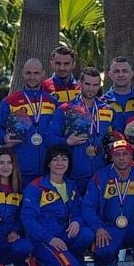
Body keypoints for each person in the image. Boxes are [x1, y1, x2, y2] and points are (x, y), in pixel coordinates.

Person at [82, 139, 134, 266]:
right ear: (111, 157)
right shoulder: (100, 177)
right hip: (109, 229)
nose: (121, 158)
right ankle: (109, 263)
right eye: (117, 155)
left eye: (125, 154)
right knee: (104, 263)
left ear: (131, 156)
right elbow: (88, 207)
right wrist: (98, 228)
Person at [20, 145, 95, 266]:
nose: (60, 163)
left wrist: (76, 221)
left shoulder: (71, 185)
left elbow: (78, 209)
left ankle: (74, 257)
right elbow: (28, 219)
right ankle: (37, 261)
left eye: (64, 159)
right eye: (55, 159)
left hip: (63, 235)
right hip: (42, 239)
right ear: (48, 163)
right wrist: (49, 238)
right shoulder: (36, 187)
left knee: (87, 234)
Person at [47, 67, 115, 197]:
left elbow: (113, 137)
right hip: (75, 175)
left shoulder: (107, 110)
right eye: (87, 84)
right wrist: (67, 141)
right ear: (80, 84)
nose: (91, 89)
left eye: (95, 85)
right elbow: (49, 138)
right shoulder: (65, 109)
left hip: (101, 174)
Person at [0, 58, 59, 185]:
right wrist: (3, 137)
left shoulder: (52, 102)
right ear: (22, 73)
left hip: (48, 169)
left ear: (43, 73)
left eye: (36, 73)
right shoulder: (10, 101)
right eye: (28, 73)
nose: (32, 77)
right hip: (21, 169)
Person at [102, 56, 134, 132]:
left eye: (125, 71)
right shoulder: (102, 102)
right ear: (110, 75)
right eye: (116, 71)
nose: (121, 75)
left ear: (131, 74)